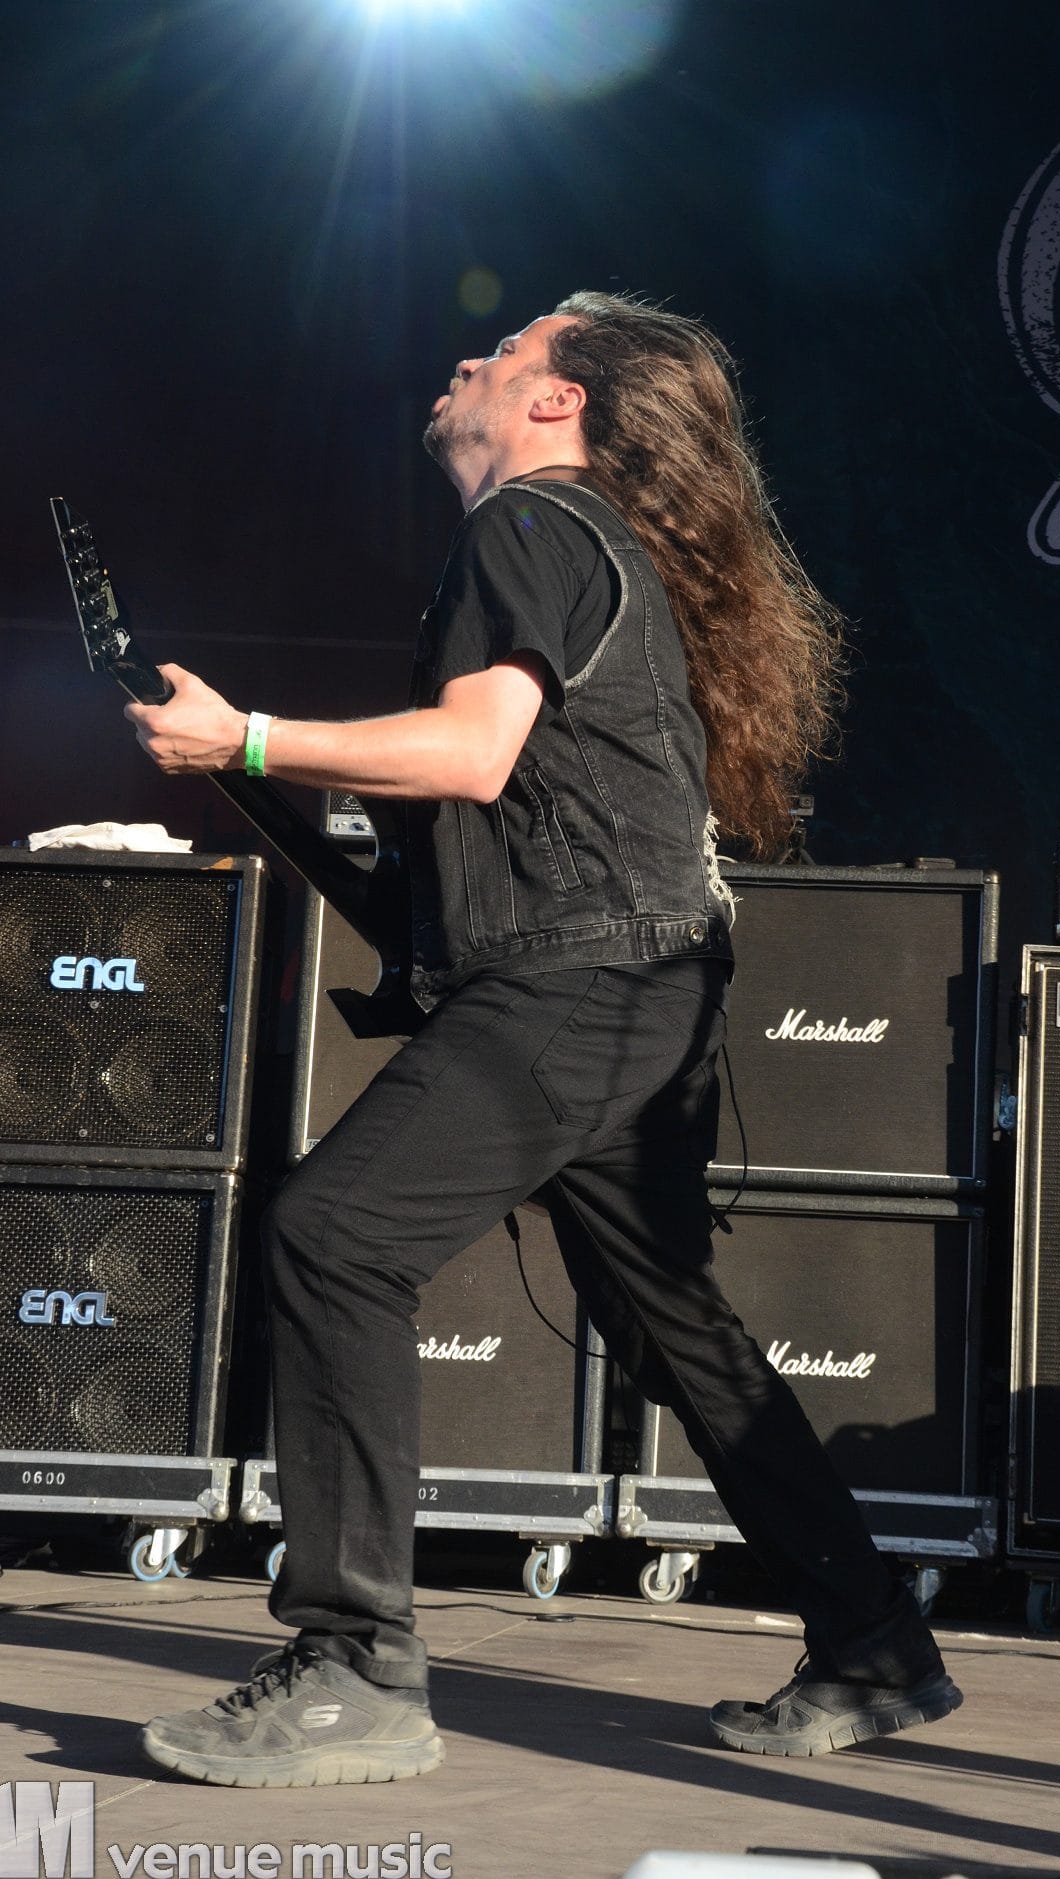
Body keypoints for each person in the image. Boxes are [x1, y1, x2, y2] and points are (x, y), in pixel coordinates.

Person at [127, 292, 960, 1789]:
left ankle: (355, 1669)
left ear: (557, 403)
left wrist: (246, 737)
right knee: (668, 1322)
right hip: (639, 983)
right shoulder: (587, 545)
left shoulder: (529, 527)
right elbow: (490, 822)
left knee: (335, 1233)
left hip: (586, 983)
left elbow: (469, 754)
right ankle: (874, 1642)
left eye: (505, 353)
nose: (469, 360)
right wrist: (256, 780)